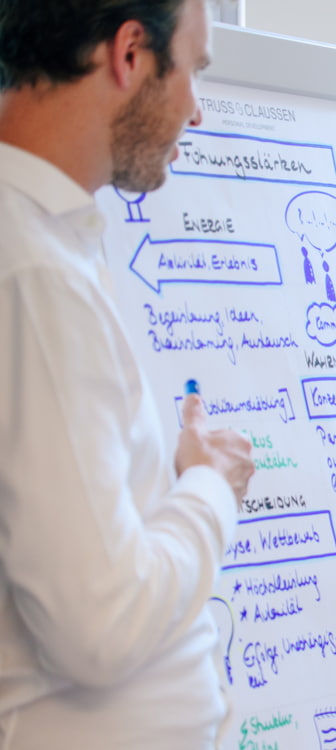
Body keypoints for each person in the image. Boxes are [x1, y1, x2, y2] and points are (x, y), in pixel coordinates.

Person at [0, 1, 255, 747]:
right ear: (131, 54)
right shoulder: (33, 273)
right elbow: (98, 626)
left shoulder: (49, 246)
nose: (197, 112)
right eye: (194, 72)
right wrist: (209, 485)